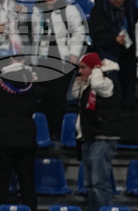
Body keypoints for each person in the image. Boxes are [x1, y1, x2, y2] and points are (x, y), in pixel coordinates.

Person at [0, 63, 46, 211]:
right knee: (27, 182)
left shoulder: (0, 91)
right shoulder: (31, 91)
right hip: (26, 142)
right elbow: (47, 93)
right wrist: (33, 78)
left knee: (2, 182)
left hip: (4, 142)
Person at [72, 52, 122, 211]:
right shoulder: (88, 87)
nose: (80, 72)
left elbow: (97, 84)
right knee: (91, 184)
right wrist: (80, 82)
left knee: (99, 183)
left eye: (83, 68)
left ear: (94, 69)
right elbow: (74, 95)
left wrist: (97, 69)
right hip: (89, 138)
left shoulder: (107, 82)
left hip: (103, 138)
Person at [31, 0, 87, 140]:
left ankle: (57, 131)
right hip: (41, 61)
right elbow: (34, 35)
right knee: (43, 98)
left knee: (57, 97)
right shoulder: (37, 10)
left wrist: (74, 53)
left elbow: (79, 32)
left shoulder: (69, 10)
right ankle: (43, 132)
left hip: (61, 60)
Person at [89, 0, 138, 107]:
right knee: (113, 83)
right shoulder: (99, 10)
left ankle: (128, 106)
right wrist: (114, 39)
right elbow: (99, 35)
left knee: (129, 75)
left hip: (127, 50)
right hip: (108, 51)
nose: (118, 1)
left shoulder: (129, 7)